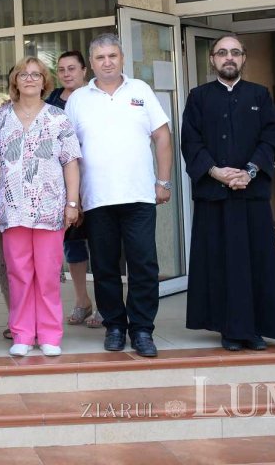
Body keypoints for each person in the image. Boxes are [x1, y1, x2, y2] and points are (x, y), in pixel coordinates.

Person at [67, 33, 173, 358]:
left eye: (113, 56)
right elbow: (69, 152)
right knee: (104, 266)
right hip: (97, 199)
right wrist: (74, 198)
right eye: (100, 58)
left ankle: (142, 329)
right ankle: (114, 325)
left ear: (123, 58)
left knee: (143, 265)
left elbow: (162, 135)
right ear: (92, 63)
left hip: (140, 196)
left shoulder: (140, 90)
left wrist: (163, 182)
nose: (107, 62)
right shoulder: (78, 99)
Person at [182, 35, 275, 351]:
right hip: (214, 196)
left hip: (251, 195)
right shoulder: (198, 97)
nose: (229, 58)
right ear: (212, 59)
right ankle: (228, 328)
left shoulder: (260, 95)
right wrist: (216, 172)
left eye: (235, 53)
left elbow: (271, 139)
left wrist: (249, 171)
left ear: (243, 58)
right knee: (220, 262)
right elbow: (191, 141)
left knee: (254, 262)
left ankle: (254, 329)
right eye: (223, 53)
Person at [0, 58, 82, 357]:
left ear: (44, 81)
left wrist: (73, 203)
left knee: (48, 274)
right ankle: (23, 333)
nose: (29, 79)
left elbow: (71, 162)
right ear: (15, 81)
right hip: (12, 208)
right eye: (23, 74)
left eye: (36, 74)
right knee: (19, 274)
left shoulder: (58, 118)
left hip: (50, 208)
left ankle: (50, 334)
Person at [46, 51, 102, 329]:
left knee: (102, 245)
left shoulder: (96, 97)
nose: (66, 74)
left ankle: (105, 306)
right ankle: (83, 301)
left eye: (72, 68)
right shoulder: (51, 101)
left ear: (84, 71)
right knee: (74, 246)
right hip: (65, 186)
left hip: (97, 181)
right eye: (61, 69)